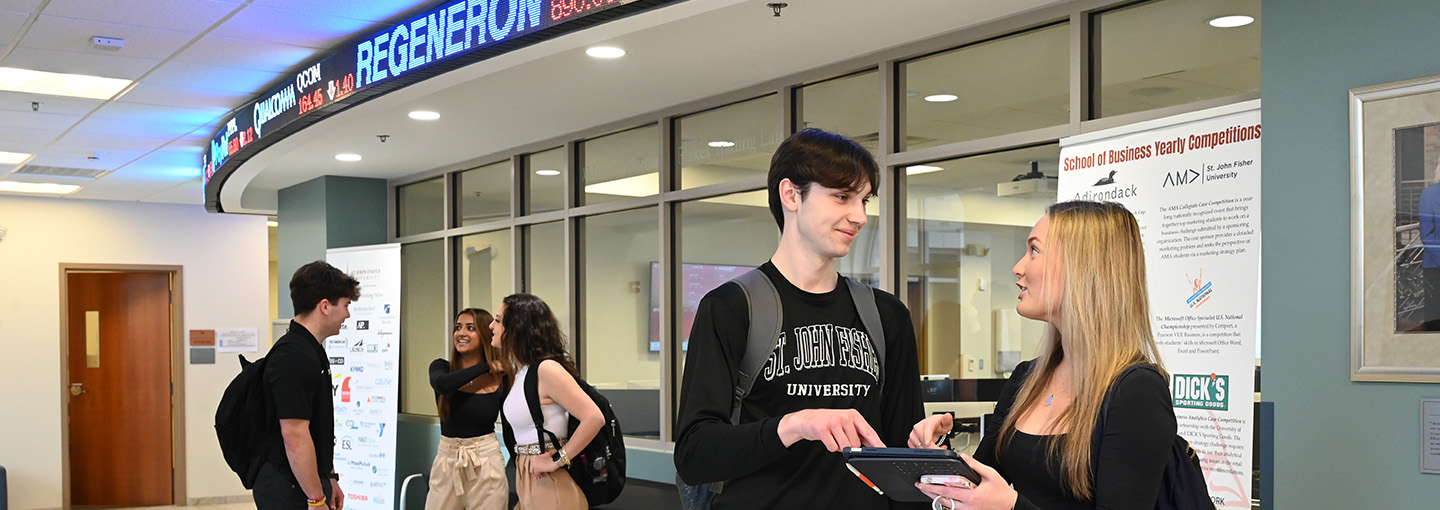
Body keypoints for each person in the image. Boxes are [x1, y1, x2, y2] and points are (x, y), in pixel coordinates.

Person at [673, 128, 925, 509]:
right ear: (791, 195)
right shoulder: (730, 308)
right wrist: (793, 425)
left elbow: (902, 461)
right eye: (842, 197)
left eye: (864, 200)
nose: (859, 216)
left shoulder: (887, 316)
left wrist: (927, 444)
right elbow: (694, 453)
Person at [908, 200, 1176, 510]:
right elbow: (979, 486)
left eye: (1034, 250)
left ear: (1082, 267)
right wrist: (939, 453)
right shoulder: (1027, 378)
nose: (1017, 267)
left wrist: (1012, 507)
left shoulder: (1136, 391)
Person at [255, 261, 360, 510]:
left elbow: (317, 427)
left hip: (305, 481)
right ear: (325, 306)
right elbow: (294, 434)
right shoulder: (294, 357)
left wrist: (329, 477)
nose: (347, 315)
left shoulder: (311, 350)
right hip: (288, 488)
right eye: (346, 305)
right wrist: (315, 498)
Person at [494, 293, 604, 510]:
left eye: (498, 320)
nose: (491, 326)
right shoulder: (521, 373)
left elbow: (594, 417)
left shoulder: (546, 369)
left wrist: (558, 460)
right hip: (530, 476)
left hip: (550, 481)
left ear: (516, 327)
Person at [425, 308, 512, 510]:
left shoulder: (501, 378)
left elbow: (509, 428)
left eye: (470, 328)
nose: (461, 333)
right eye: (458, 327)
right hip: (447, 460)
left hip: (486, 461)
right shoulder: (441, 368)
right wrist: (486, 366)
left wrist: (519, 468)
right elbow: (443, 385)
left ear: (485, 335)